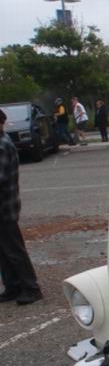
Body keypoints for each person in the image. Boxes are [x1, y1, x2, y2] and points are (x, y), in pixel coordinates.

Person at [0, 109, 43, 305]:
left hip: (4, 208)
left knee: (14, 251)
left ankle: (32, 288)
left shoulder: (2, 146)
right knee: (4, 252)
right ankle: (13, 287)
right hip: (5, 207)